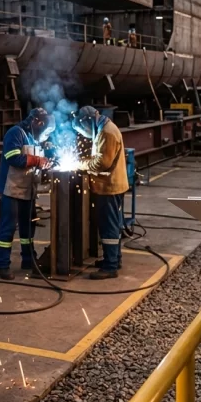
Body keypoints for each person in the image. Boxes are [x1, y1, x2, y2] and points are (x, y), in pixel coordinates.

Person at [0, 108, 54, 279]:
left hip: (27, 190)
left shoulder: (33, 138)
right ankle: (2, 265)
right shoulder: (16, 133)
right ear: (37, 122)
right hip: (11, 189)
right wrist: (37, 160)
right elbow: (13, 158)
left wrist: (47, 158)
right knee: (8, 228)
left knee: (28, 227)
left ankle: (28, 259)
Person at [73, 106, 130, 279]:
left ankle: (110, 266)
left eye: (83, 130)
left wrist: (80, 164)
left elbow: (102, 164)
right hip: (111, 186)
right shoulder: (103, 129)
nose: (84, 134)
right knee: (113, 224)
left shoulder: (107, 133)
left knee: (109, 226)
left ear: (88, 121)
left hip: (109, 187)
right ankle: (113, 258)